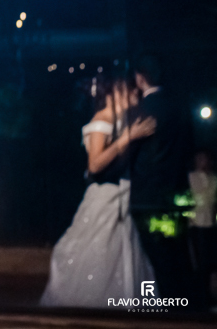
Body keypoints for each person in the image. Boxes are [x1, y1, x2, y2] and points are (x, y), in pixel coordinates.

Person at [40, 76, 156, 307]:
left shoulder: (123, 120)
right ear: (116, 94)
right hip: (104, 197)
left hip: (121, 195)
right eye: (132, 92)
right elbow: (94, 165)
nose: (136, 96)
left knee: (120, 247)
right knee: (96, 245)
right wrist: (128, 137)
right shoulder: (101, 120)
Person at [129, 55, 195, 302]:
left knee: (157, 258)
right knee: (179, 253)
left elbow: (130, 154)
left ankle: (168, 309)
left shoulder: (140, 111)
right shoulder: (180, 107)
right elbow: (189, 149)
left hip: (148, 196)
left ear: (140, 78)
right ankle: (188, 306)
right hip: (176, 193)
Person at [188, 149, 216, 305]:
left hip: (210, 225)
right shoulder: (190, 177)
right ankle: (199, 297)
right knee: (198, 262)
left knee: (208, 262)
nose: (201, 161)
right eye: (198, 158)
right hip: (195, 225)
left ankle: (208, 296)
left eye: (204, 158)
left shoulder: (214, 179)